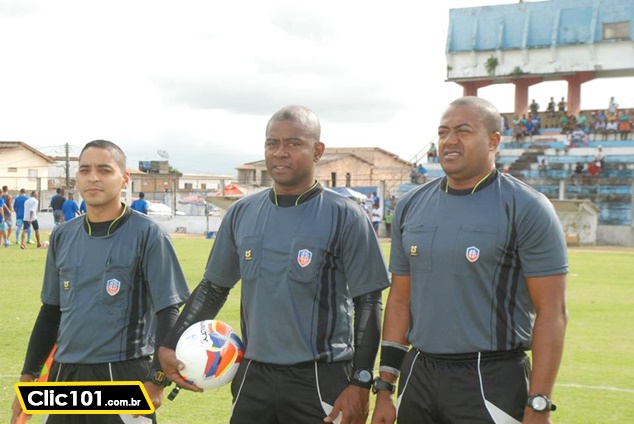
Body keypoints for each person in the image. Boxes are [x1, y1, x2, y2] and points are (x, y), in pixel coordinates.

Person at [158, 105, 391, 424]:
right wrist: (171, 344)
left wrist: (361, 382)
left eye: (293, 143)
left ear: (317, 151)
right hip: (253, 374)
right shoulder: (242, 213)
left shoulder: (346, 216)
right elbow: (213, 289)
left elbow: (369, 302)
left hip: (321, 375)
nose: (280, 153)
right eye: (272, 143)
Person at [371, 96, 568, 424]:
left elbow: (552, 312)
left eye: (463, 131)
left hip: (491, 376)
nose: (449, 140)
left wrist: (539, 402)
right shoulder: (411, 205)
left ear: (493, 142)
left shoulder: (527, 207)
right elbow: (400, 301)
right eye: (443, 131)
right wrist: (384, 387)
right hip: (419, 372)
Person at [11, 140, 191, 424]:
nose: (93, 177)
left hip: (123, 377)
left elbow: (167, 311)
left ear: (124, 178)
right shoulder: (62, 235)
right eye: (85, 170)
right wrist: (28, 377)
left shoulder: (148, 234)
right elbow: (51, 311)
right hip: (65, 378)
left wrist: (157, 379)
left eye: (104, 170)